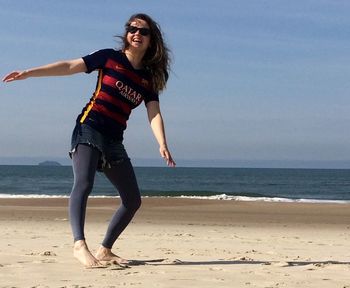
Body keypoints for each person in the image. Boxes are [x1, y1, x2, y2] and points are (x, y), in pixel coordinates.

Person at [2, 13, 176, 268]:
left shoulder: (147, 79)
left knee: (133, 200)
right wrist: (30, 73)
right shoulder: (109, 57)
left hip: (114, 139)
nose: (136, 33)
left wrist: (162, 143)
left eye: (143, 31)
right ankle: (79, 245)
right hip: (89, 127)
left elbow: (154, 112)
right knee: (84, 182)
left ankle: (104, 249)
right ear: (127, 34)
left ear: (152, 40)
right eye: (132, 29)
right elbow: (70, 66)